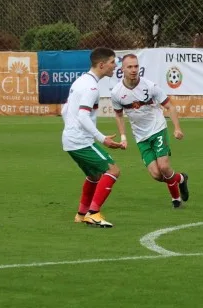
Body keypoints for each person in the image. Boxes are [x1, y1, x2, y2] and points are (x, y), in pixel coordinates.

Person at [111, 54, 190, 208]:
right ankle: (181, 179)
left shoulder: (150, 86)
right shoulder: (116, 93)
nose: (134, 70)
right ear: (122, 69)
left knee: (164, 167)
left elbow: (170, 107)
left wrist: (177, 128)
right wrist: (123, 137)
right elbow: (119, 115)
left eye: (136, 66)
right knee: (157, 175)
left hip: (158, 128)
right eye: (130, 67)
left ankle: (176, 200)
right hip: (141, 137)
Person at [62, 47, 125, 228]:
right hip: (80, 141)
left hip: (71, 139)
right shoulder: (91, 87)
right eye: (112, 62)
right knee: (113, 170)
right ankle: (93, 213)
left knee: (94, 175)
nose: (115, 66)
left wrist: (70, 129)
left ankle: (82, 214)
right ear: (101, 65)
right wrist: (102, 138)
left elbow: (65, 110)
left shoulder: (80, 81)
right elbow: (83, 116)